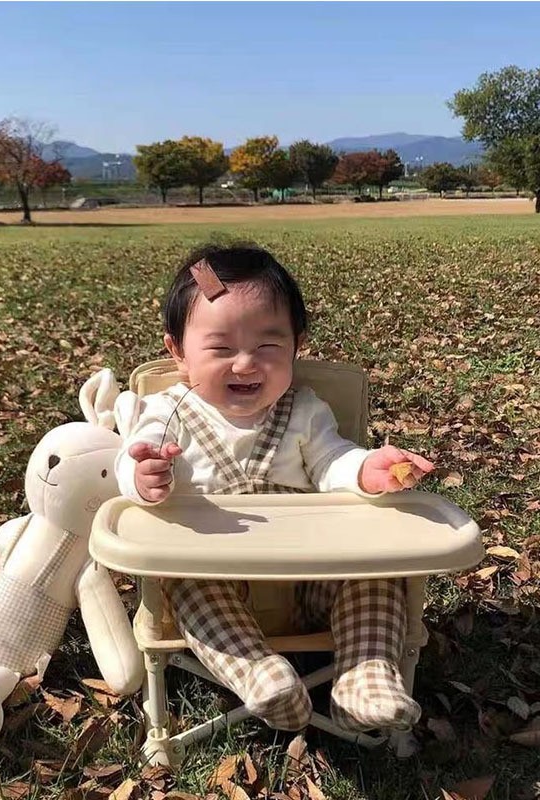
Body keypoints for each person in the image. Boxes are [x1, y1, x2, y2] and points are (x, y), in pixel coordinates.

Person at [115, 244, 435, 733]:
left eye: (268, 347)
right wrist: (144, 478)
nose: (246, 364)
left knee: (377, 579)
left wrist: (366, 469)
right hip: (216, 575)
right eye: (221, 349)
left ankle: (365, 676)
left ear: (296, 346)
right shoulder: (168, 414)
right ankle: (263, 678)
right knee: (191, 591)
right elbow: (135, 453)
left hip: (309, 580)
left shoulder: (305, 411)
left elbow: (332, 460)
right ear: (178, 352)